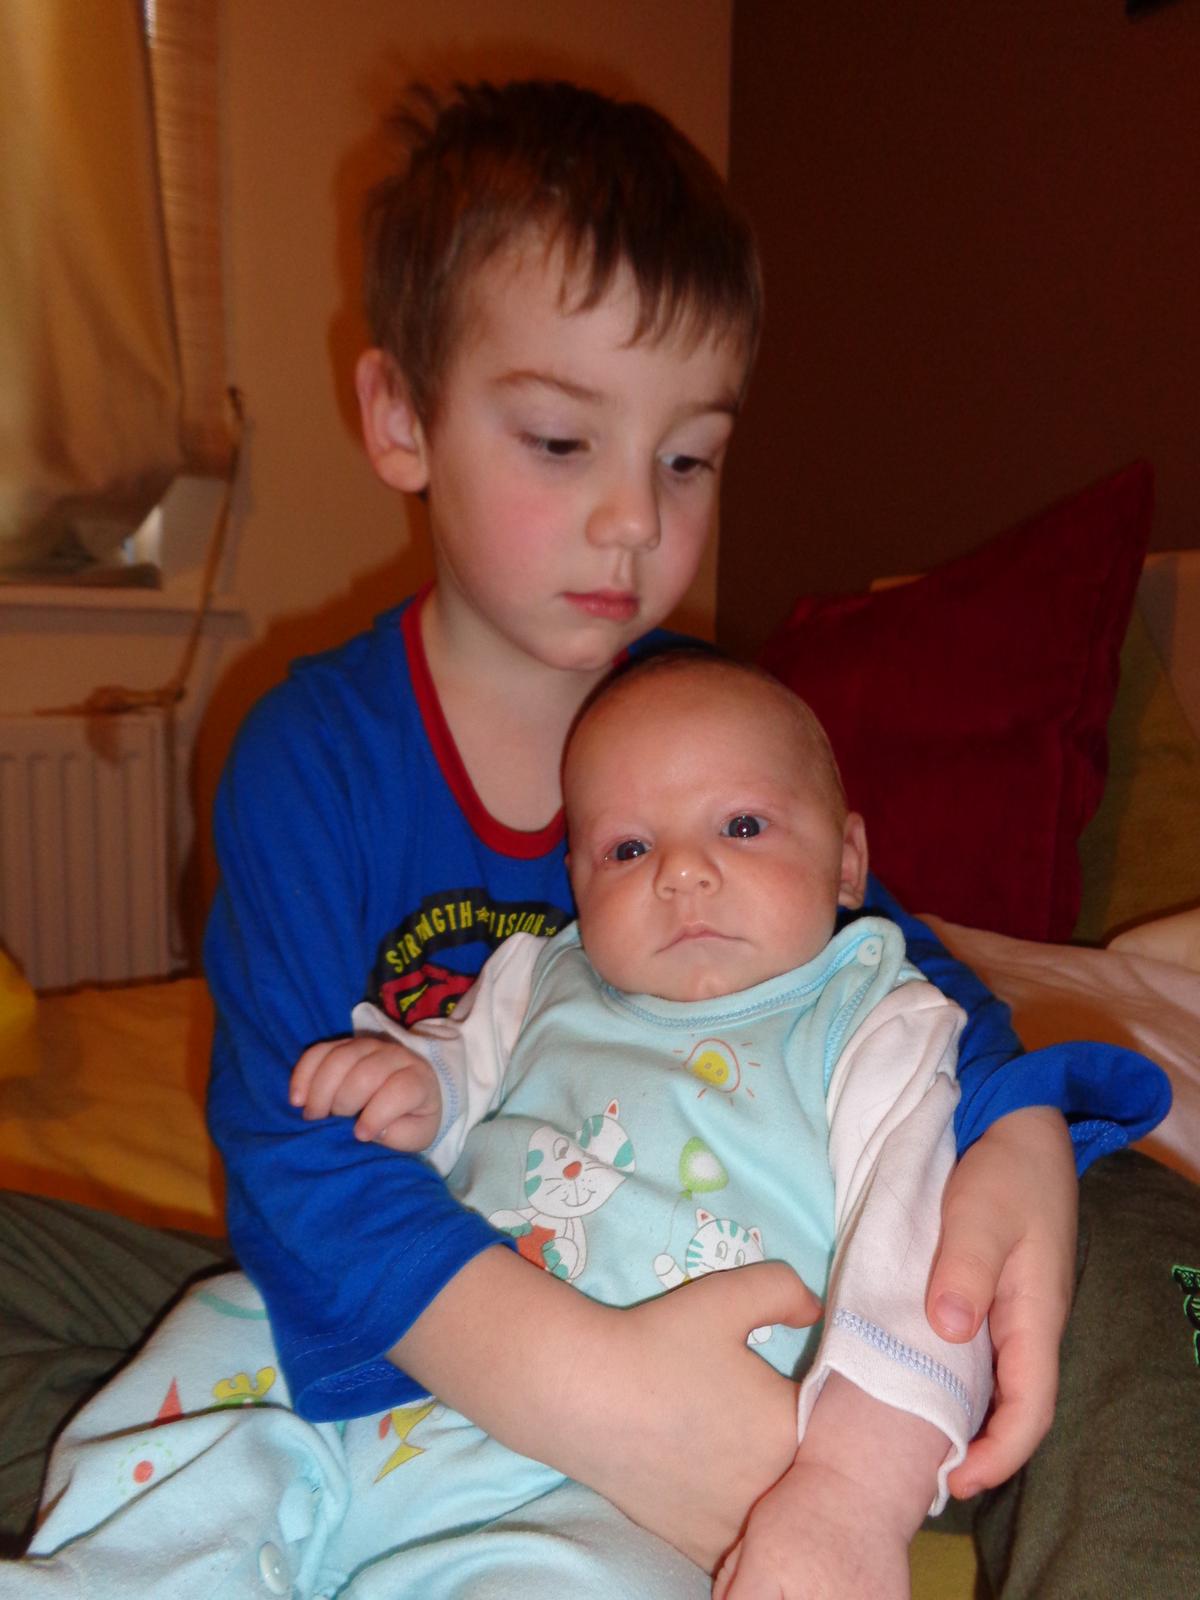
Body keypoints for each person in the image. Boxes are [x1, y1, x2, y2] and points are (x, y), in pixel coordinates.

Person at [0, 77, 1182, 1596]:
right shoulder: (313, 755)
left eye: (687, 459)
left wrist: (1013, 1127)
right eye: (563, 440)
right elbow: (295, 1165)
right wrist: (611, 1406)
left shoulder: (707, 730)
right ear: (403, 419)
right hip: (427, 1308)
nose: (634, 518)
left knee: (1125, 1213)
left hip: (741, 1323)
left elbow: (890, 965)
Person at [21, 653, 995, 1599]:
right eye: (628, 849)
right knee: (223, 1328)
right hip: (415, 1361)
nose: (682, 873)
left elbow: (915, 1282)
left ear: (848, 862)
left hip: (631, 1481)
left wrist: (849, 1498)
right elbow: (457, 1074)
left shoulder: (877, 1026)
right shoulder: (541, 974)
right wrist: (414, 1089)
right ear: (576, 879)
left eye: (742, 826)